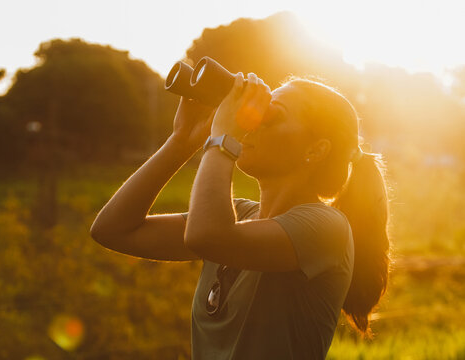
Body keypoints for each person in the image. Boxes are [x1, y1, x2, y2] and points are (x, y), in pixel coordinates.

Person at [90, 72, 390, 359]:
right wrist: (181, 142)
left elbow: (207, 237)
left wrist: (223, 138)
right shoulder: (238, 215)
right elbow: (113, 230)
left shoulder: (325, 228)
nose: (252, 122)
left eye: (271, 114)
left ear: (316, 150)